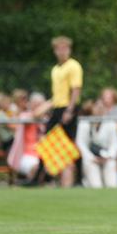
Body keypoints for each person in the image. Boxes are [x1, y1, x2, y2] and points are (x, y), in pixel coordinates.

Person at [46, 35, 83, 188]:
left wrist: (70, 109)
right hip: (57, 108)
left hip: (68, 108)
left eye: (64, 48)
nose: (62, 52)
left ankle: (75, 178)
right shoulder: (55, 69)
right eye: (59, 49)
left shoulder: (73, 66)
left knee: (68, 144)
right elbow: (56, 95)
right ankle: (56, 176)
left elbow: (76, 89)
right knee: (50, 142)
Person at [76, 98, 117, 188]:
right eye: (97, 107)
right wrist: (92, 157)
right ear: (92, 108)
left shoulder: (110, 123)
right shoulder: (84, 123)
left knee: (111, 176)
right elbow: (81, 144)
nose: (99, 109)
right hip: (91, 158)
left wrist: (108, 156)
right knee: (95, 184)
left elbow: (115, 144)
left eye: (102, 107)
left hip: (107, 157)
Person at [7, 92, 47, 183]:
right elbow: (35, 115)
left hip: (42, 154)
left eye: (40, 105)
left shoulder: (45, 120)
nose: (39, 108)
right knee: (36, 167)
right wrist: (55, 101)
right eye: (37, 105)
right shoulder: (25, 116)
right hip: (25, 155)